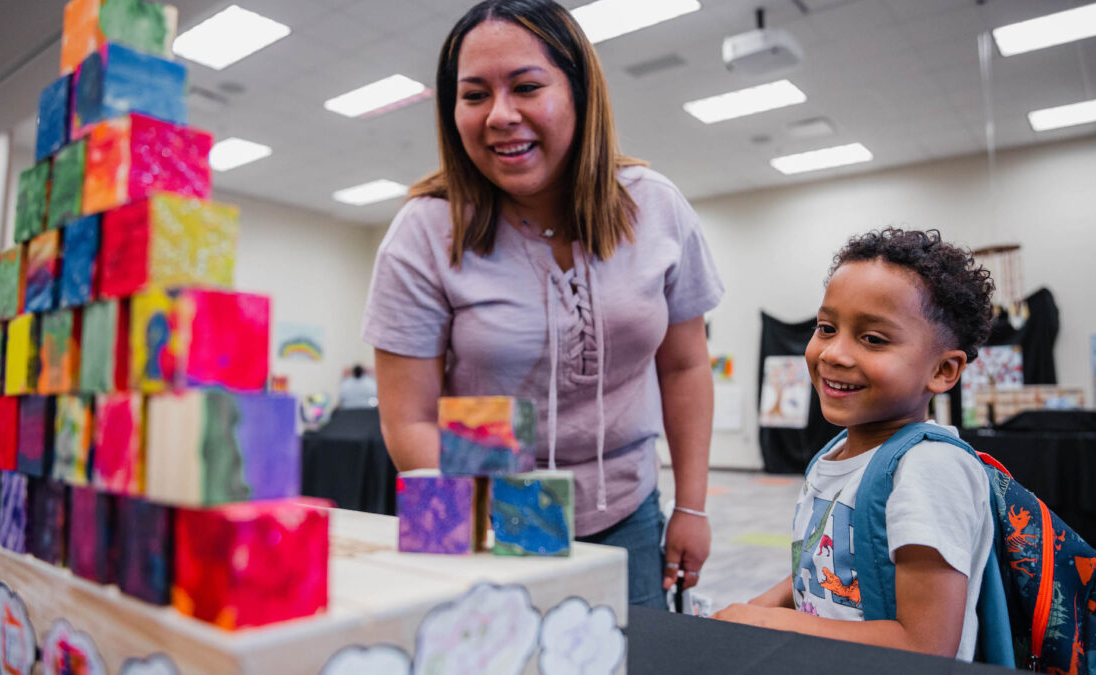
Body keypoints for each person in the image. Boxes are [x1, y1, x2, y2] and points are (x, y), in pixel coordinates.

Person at [362, 0, 723, 608]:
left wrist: (691, 506)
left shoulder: (656, 207)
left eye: (527, 87)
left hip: (628, 512)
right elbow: (409, 421)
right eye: (473, 95)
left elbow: (685, 366)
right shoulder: (424, 232)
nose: (500, 115)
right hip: (486, 519)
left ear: (581, 93)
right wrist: (520, 520)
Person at [714, 229, 996, 661]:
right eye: (826, 328)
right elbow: (827, 571)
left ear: (943, 370)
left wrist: (774, 623)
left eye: (873, 339)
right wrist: (758, 608)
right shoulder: (838, 453)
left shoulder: (929, 469)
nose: (833, 353)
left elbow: (926, 645)